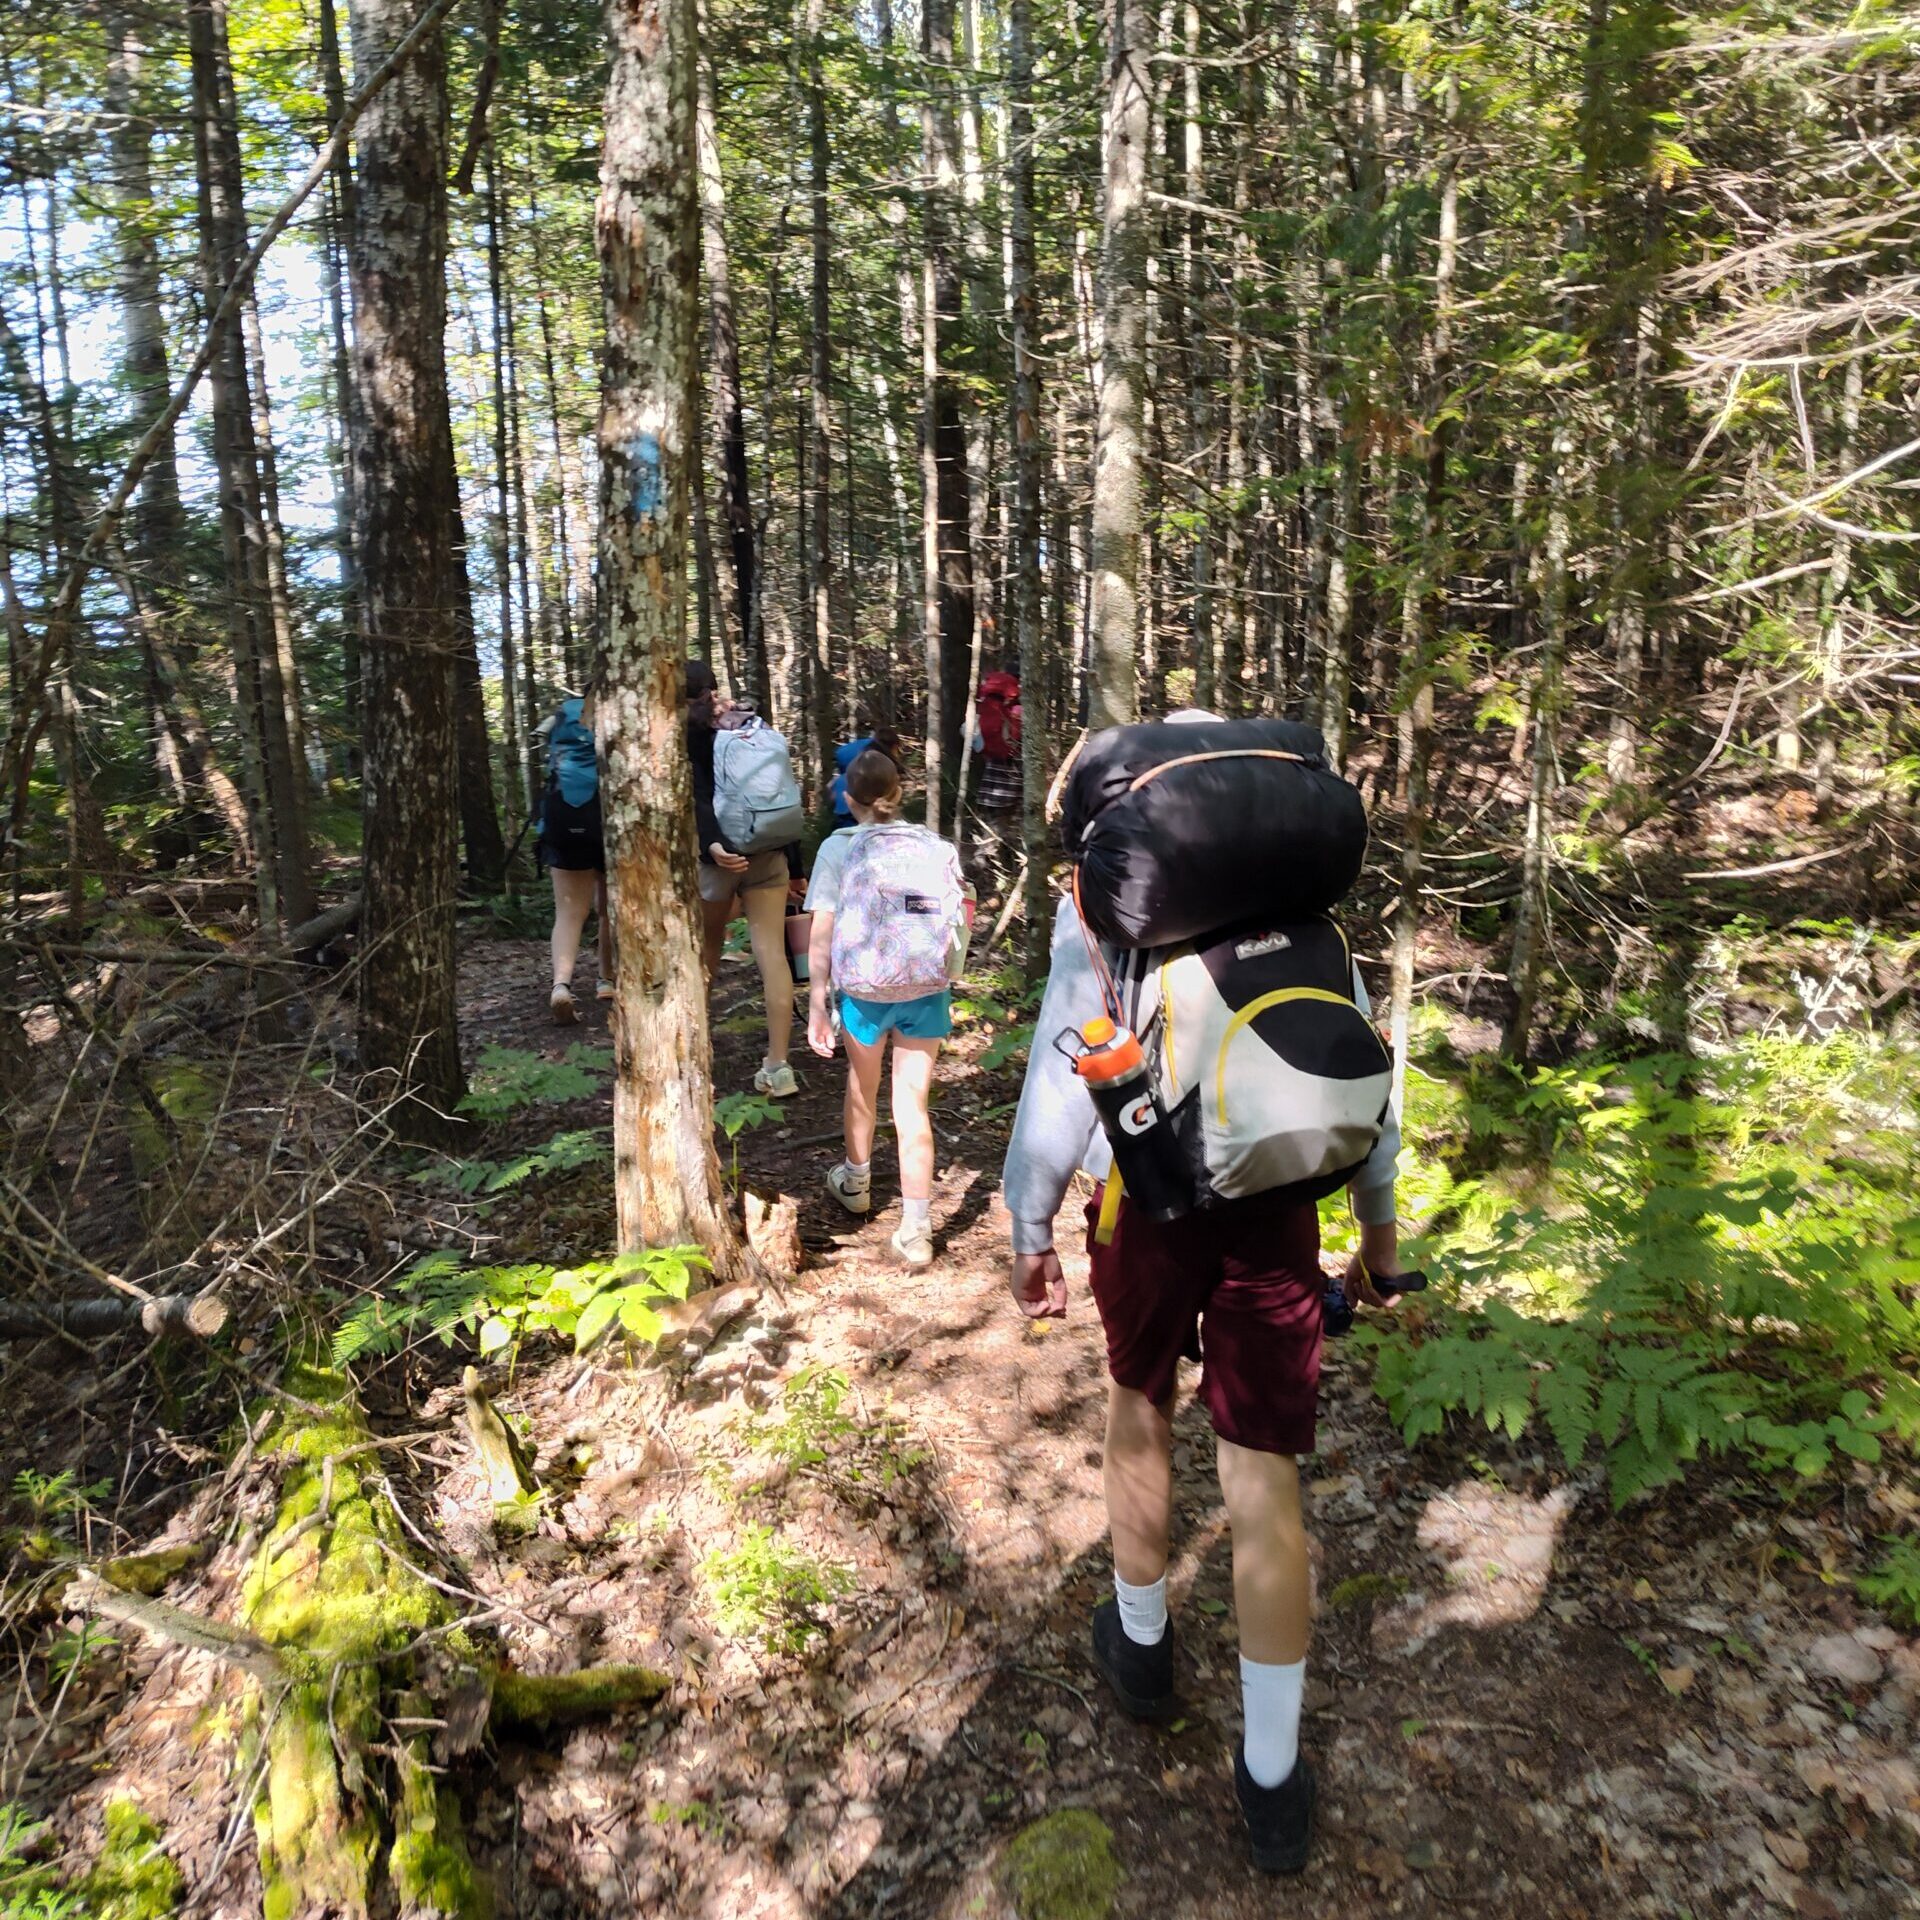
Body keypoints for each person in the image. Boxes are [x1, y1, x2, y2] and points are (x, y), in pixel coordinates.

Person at [1000, 724, 1409, 1878]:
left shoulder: (1107, 908)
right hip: (1278, 1210)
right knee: (1261, 1473)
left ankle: (1142, 1648)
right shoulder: (1306, 906)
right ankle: (1272, 1781)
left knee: (1141, 1407)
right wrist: (1380, 1245)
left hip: (1145, 1203)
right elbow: (1364, 1082)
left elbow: (1058, 1082)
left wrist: (1029, 1230)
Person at [804, 749, 964, 1270]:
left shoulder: (838, 847)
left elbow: (822, 928)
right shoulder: (933, 846)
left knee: (862, 1087)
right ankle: (916, 1230)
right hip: (925, 987)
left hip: (865, 992)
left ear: (848, 799)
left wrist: (818, 1001)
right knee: (912, 1104)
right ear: (899, 793)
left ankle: (856, 1182)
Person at [686, 660, 800, 1097]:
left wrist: (712, 845)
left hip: (720, 859)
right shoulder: (751, 722)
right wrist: (797, 866)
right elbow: (780, 790)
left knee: (707, 948)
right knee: (772, 955)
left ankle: (694, 1051)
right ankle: (778, 1066)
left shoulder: (693, 733)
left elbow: (698, 795)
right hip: (770, 852)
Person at [535, 693, 612, 1024]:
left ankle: (560, 985)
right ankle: (606, 979)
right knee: (609, 909)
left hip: (563, 820)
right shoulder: (619, 710)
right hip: (605, 822)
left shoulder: (562, 718)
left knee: (568, 913)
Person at [829, 725, 904, 827]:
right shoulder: (882, 768)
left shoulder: (859, 758)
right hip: (868, 819)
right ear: (894, 747)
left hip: (843, 811)